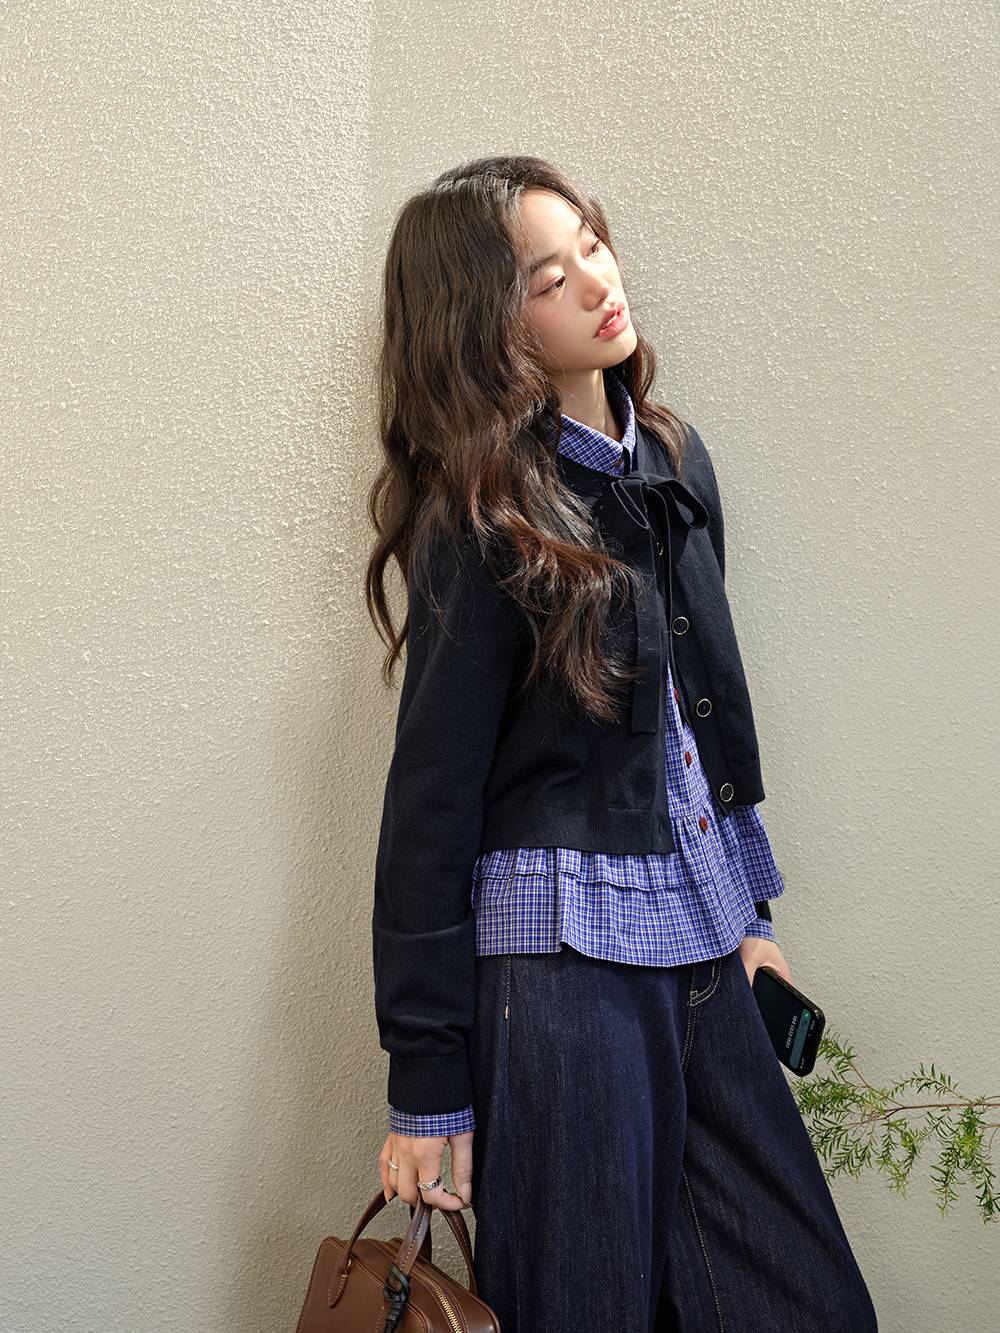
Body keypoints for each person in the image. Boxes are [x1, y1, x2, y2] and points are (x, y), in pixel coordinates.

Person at [364, 154, 878, 1332]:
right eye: (549, 279)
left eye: (590, 244)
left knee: (804, 1300)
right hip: (559, 976)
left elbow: (706, 713)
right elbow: (429, 803)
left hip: (699, 942)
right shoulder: (482, 513)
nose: (597, 282)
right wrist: (427, 1081)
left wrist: (750, 917)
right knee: (580, 1303)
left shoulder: (675, 463)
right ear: (490, 328)